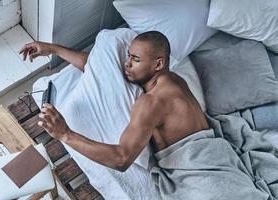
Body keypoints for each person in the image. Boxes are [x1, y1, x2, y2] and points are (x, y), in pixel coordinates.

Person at [20, 31, 208, 171]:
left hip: (198, 172)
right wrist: (52, 48)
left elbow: (122, 159)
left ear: (158, 63)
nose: (127, 63)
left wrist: (65, 134)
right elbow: (98, 68)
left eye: (135, 59)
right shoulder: (174, 80)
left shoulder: (151, 102)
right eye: (128, 55)